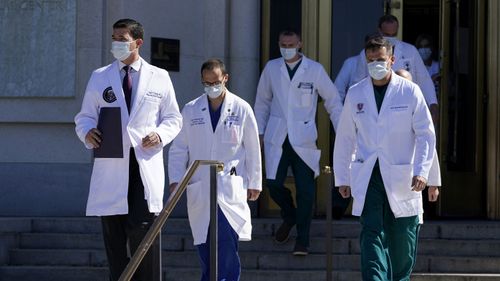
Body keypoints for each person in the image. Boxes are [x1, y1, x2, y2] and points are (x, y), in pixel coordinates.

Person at [74, 18, 182, 281]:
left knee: (143, 230)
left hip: (143, 162)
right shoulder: (100, 76)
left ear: (138, 42)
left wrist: (160, 134)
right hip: (112, 163)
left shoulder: (160, 77)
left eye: (122, 40)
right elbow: (85, 116)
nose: (116, 44)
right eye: (114, 38)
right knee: (114, 235)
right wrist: (87, 132)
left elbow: (173, 119)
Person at [333, 36, 435, 280]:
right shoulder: (356, 93)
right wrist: (342, 178)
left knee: (402, 243)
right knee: (371, 234)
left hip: (403, 175)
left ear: (392, 59)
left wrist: (422, 171)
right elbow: (345, 137)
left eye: (380, 59)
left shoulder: (410, 91)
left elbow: (425, 134)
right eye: (370, 60)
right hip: (369, 175)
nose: (375, 64)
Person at [168, 59, 262, 281]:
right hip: (200, 187)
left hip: (229, 186)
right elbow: (179, 149)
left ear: (225, 79)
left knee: (226, 248)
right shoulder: (191, 109)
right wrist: (175, 179)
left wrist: (255, 182)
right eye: (206, 83)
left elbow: (252, 148)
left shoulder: (241, 108)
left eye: (216, 82)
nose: (211, 87)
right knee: (205, 249)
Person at [254, 29, 342, 255]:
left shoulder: (314, 70)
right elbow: (262, 102)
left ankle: (302, 239)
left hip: (303, 139)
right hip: (278, 136)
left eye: (291, 44)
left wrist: (342, 131)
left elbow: (332, 100)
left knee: (306, 191)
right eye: (282, 44)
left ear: (300, 44)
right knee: (273, 183)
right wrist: (259, 132)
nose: (286, 48)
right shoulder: (272, 68)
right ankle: (289, 214)